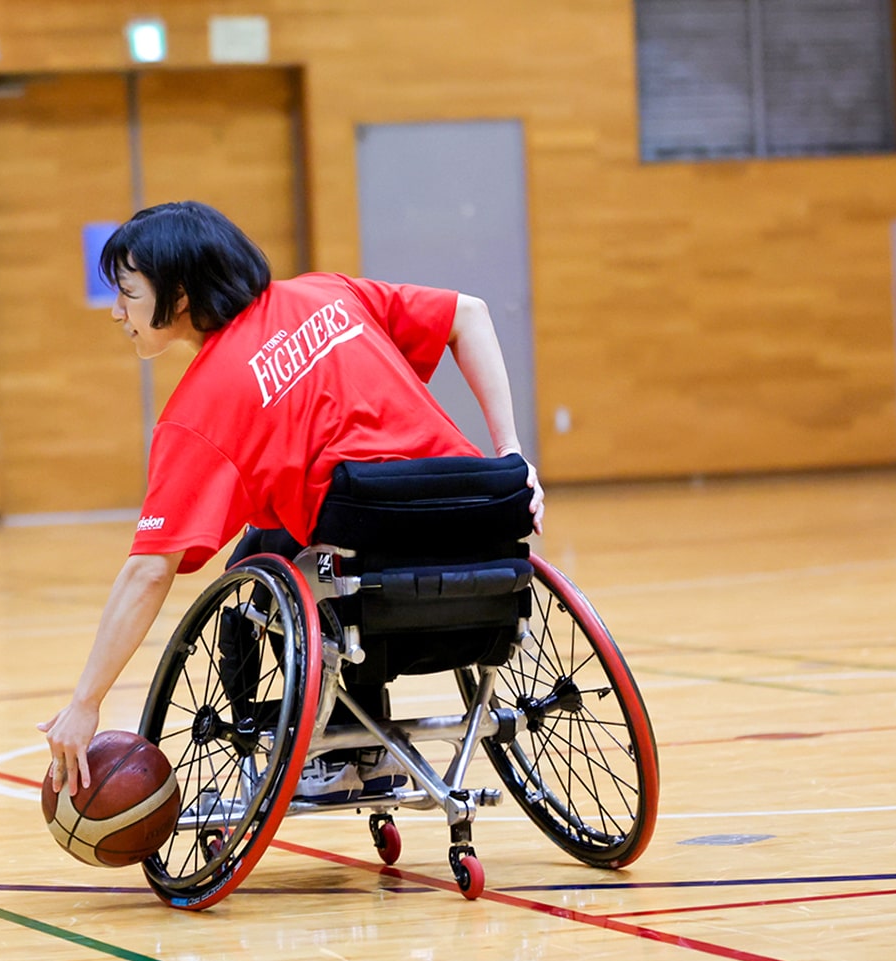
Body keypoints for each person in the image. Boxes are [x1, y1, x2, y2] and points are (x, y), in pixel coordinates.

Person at [39, 201, 543, 791]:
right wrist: (511, 455)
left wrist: (86, 701)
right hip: (474, 528)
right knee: (301, 536)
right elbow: (471, 313)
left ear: (177, 295)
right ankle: (364, 737)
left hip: (370, 560)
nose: (118, 311)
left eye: (127, 291)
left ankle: (330, 751)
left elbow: (150, 571)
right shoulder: (328, 294)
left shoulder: (200, 412)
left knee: (258, 563)